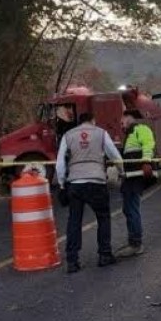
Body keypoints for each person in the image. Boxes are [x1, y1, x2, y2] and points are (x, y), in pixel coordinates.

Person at [56, 112, 124, 274]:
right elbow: (114, 155)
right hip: (96, 182)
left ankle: (72, 261)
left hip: (75, 183)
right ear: (93, 121)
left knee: (74, 221)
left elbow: (60, 163)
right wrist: (122, 172)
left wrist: (61, 183)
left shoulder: (68, 135)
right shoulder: (101, 133)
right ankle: (104, 254)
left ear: (79, 122)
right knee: (103, 217)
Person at [115, 110, 156, 258]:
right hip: (130, 176)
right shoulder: (130, 135)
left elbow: (148, 145)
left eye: (122, 122)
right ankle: (134, 241)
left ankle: (136, 244)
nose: (121, 125)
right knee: (128, 208)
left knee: (131, 208)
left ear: (128, 118)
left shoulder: (141, 129)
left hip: (136, 175)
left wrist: (146, 162)